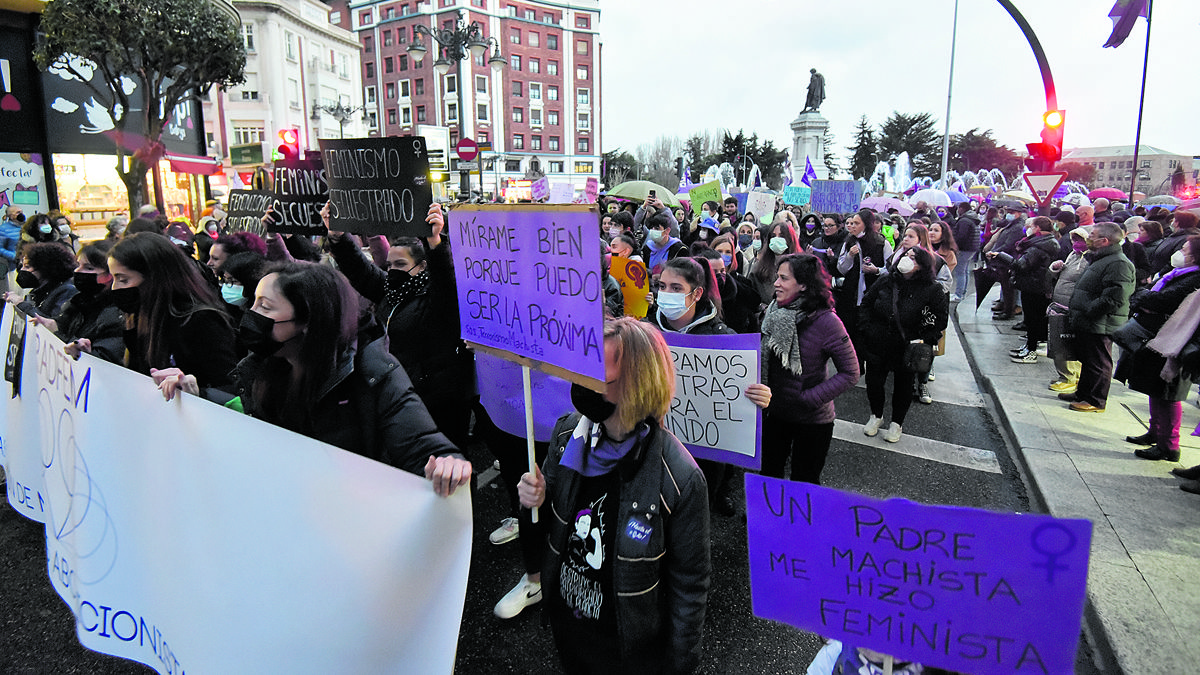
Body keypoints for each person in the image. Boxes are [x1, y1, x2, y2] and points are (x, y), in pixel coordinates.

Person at [155, 261, 471, 497]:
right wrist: (200, 397)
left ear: (308, 320)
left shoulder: (374, 372)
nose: (251, 315)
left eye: (265, 306)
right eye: (253, 303)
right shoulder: (262, 366)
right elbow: (252, 420)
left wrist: (449, 464)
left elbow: (423, 446)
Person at [517, 317, 711, 674]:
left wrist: (682, 664)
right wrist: (536, 500)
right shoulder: (566, 435)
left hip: (626, 649)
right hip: (569, 629)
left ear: (637, 384)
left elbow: (690, 584)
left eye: (598, 377)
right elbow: (551, 532)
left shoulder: (680, 478)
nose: (582, 384)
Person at [327, 202, 475, 450]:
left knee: (447, 458)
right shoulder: (390, 292)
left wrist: (435, 244)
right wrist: (338, 237)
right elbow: (360, 270)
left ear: (422, 266)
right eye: (389, 265)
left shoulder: (439, 297)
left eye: (400, 265)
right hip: (402, 393)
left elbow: (445, 278)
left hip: (439, 400)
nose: (392, 271)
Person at [652, 256, 771, 513]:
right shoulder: (645, 332)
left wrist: (761, 398)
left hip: (703, 459)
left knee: (692, 521)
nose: (666, 294)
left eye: (675, 288)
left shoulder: (723, 340)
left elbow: (745, 399)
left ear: (697, 294)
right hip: (651, 448)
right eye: (661, 286)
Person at [759, 253, 859, 483]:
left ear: (803, 285)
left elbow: (851, 372)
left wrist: (809, 398)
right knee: (769, 475)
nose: (776, 283)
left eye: (784, 278)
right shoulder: (773, 311)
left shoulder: (827, 321)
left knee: (804, 481)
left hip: (812, 421)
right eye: (777, 277)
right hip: (775, 413)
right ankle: (769, 518)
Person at [108, 232, 238, 388]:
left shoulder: (200, 320)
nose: (115, 288)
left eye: (123, 279)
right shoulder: (139, 316)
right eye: (113, 278)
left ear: (155, 278)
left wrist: (194, 391)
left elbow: (229, 388)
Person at [1117, 236, 1200, 462]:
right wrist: (1146, 296)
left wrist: (1145, 296)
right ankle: (1155, 432)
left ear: (1195, 255)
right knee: (1156, 389)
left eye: (1185, 249)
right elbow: (1149, 294)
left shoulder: (1195, 277)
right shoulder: (1176, 273)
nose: (1180, 252)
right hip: (1158, 337)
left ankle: (1169, 445)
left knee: (1169, 393)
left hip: (1175, 340)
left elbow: (1163, 300)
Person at [858, 247, 948, 442]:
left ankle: (897, 423)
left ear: (923, 265)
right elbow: (866, 304)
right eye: (906, 255)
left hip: (908, 346)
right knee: (874, 382)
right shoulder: (886, 281)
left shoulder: (932, 290)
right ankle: (876, 416)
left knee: (904, 386)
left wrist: (924, 338)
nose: (907, 260)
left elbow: (940, 320)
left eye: (913, 258)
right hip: (878, 341)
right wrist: (866, 328)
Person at [1062, 222, 1135, 413]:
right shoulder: (1101, 258)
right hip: (1090, 321)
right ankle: (1083, 393)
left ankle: (1095, 400)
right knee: (1088, 359)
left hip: (1101, 322)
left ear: (1104, 240)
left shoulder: (1118, 263)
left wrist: (1090, 310)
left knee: (1099, 362)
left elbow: (1115, 297)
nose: (1088, 238)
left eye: (1092, 235)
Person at [37, 241, 125, 365]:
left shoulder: (116, 314)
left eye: (88, 268)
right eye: (78, 265)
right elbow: (63, 324)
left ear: (111, 275)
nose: (78, 271)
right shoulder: (78, 302)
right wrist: (51, 324)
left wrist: (58, 333)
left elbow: (105, 361)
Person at [836, 209, 892, 372]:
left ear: (866, 225)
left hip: (873, 296)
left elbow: (891, 269)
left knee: (867, 332)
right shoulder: (849, 242)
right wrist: (849, 257)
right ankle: (855, 365)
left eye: (856, 223)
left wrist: (876, 271)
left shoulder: (881, 243)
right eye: (851, 223)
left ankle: (871, 363)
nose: (852, 226)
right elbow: (841, 268)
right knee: (850, 331)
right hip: (851, 296)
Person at [1009, 217, 1062, 363]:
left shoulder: (1039, 246)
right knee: (1032, 319)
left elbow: (1022, 265)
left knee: (1034, 319)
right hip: (1033, 285)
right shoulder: (1042, 243)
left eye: (1031, 226)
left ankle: (1031, 350)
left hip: (1035, 286)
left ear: (1037, 228)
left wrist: (1003, 257)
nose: (1028, 228)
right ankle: (1029, 346)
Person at [1045, 228, 1092, 394]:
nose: (1076, 243)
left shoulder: (1089, 259)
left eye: (1080, 240)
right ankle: (1067, 376)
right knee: (1060, 344)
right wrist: (1055, 268)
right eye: (1074, 240)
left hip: (1070, 306)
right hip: (1060, 303)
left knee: (1065, 345)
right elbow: (1062, 275)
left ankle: (1069, 378)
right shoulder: (1073, 255)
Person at [4, 241, 78, 318]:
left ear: (44, 268)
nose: (22, 270)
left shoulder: (66, 291)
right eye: (22, 266)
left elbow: (51, 324)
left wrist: (21, 304)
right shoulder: (40, 290)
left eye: (27, 267)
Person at [748, 219, 800, 309]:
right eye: (773, 236)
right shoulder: (758, 268)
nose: (776, 239)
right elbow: (750, 297)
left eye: (781, 236)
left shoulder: (800, 266)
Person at [639, 210, 686, 275]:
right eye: (651, 228)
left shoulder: (680, 249)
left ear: (667, 230)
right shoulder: (647, 248)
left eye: (657, 228)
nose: (653, 230)